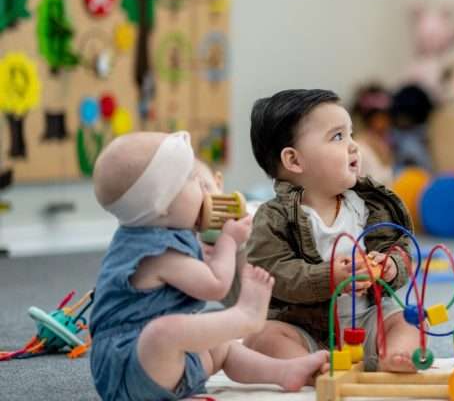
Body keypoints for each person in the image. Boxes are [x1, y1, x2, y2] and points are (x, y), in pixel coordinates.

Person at [89, 131, 326, 400]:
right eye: (193, 180)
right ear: (162, 205)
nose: (205, 189)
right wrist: (228, 241)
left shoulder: (159, 237)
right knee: (163, 331)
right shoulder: (157, 254)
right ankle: (244, 316)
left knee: (221, 347)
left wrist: (210, 253)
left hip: (168, 367)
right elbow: (215, 286)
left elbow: (198, 273)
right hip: (131, 367)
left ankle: (283, 371)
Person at [244, 89, 419, 372]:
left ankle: (396, 354)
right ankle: (310, 366)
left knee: (408, 320)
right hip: (306, 328)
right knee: (262, 338)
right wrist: (329, 277)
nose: (354, 146)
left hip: (368, 319)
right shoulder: (275, 217)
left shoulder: (368, 205)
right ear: (294, 161)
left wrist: (389, 266)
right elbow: (272, 272)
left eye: (351, 134)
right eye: (338, 137)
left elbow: (399, 249)